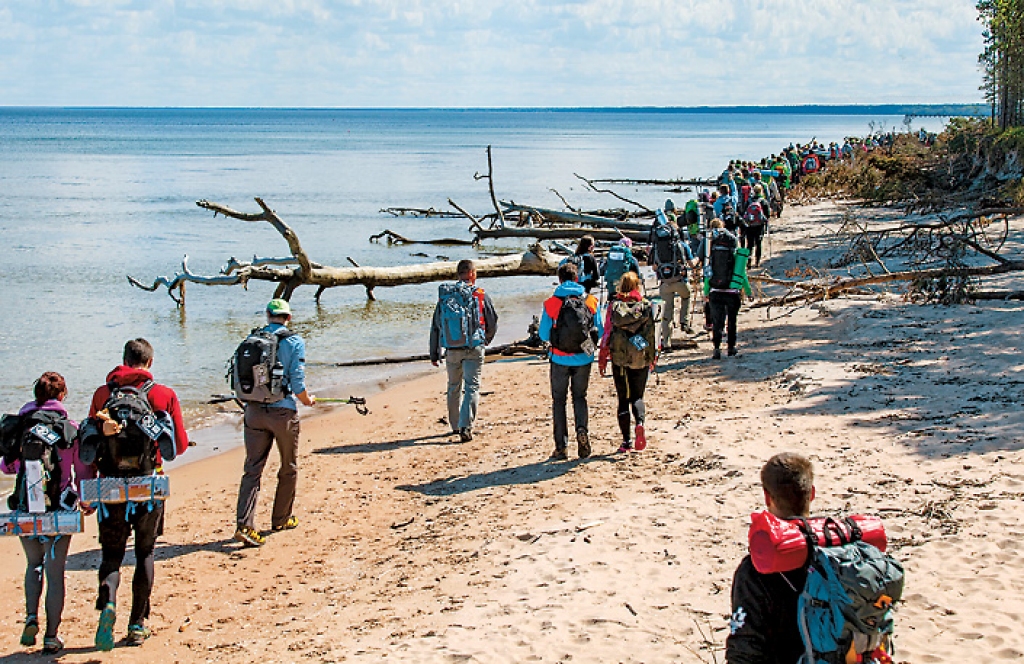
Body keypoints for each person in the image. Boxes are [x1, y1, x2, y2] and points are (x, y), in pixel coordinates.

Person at [88, 338, 189, 649]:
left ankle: (107, 602)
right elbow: (179, 447)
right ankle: (137, 624)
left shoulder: (103, 395)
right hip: (148, 483)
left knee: (112, 554)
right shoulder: (163, 394)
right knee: (145, 553)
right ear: (150, 362)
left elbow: (90, 446)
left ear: (122, 360)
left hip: (111, 485)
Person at [1, 372, 92, 655]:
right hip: (60, 510)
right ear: (62, 396)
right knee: (55, 572)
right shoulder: (70, 428)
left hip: (26, 507)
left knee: (33, 566)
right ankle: (52, 636)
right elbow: (83, 470)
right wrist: (87, 502)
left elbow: (7, 467)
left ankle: (31, 617)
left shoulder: (22, 426)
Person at [235, 299, 316, 548]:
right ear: (288, 318)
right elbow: (298, 383)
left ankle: (244, 524)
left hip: (253, 411)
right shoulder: (294, 341)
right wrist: (307, 400)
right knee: (288, 466)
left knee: (252, 469)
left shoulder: (251, 340)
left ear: (267, 316)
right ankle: (281, 518)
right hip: (282, 413)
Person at [726, 453, 815, 663]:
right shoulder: (840, 550)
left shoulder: (759, 566)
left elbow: (745, 647)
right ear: (811, 494)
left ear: (767, 498)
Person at [430, 260, 499, 442]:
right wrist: (485, 340)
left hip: (452, 349)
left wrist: (434, 352)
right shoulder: (480, 294)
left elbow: (436, 325)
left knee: (453, 387)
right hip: (474, 347)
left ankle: (454, 426)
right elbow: (492, 320)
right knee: (472, 387)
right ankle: (465, 425)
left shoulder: (445, 296)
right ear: (471, 274)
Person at [539, 261, 602, 461]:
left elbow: (542, 334)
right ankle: (582, 431)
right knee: (580, 397)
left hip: (559, 357)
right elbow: (598, 329)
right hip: (584, 358)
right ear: (577, 279)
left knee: (559, 401)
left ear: (559, 279)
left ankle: (561, 446)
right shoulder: (590, 301)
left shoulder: (552, 303)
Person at [597, 272, 656, 453]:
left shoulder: (614, 307)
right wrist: (652, 357)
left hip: (620, 358)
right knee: (637, 396)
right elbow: (655, 333)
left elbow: (607, 333)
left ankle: (626, 442)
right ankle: (640, 423)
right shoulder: (647, 306)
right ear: (637, 286)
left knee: (623, 399)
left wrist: (602, 357)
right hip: (640, 357)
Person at [702, 220, 751, 359]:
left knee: (717, 321)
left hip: (715, 291)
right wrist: (748, 291)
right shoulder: (734, 253)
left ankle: (716, 348)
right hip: (732, 292)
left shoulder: (713, 253)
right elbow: (742, 273)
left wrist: (706, 291)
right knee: (732, 321)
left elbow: (708, 274)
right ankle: (731, 347)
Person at [649, 211, 697, 349]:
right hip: (680, 280)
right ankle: (684, 322)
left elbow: (653, 268)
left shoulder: (657, 247)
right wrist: (698, 259)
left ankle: (667, 342)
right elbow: (692, 264)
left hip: (665, 283)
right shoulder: (682, 245)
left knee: (666, 313)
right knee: (687, 297)